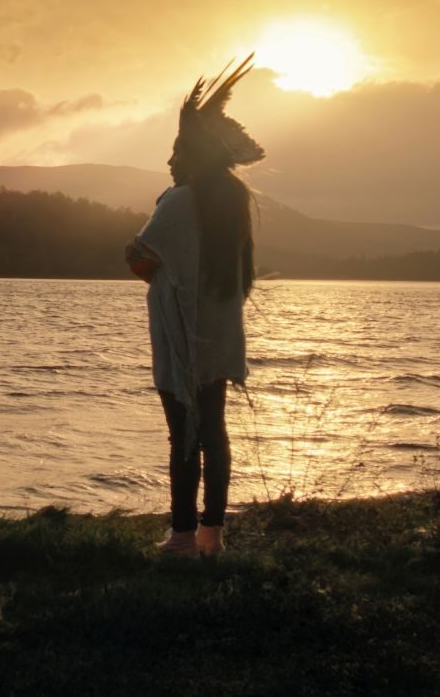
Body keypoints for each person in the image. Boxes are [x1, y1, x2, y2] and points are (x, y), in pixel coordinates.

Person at [126, 56, 262, 557]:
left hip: (184, 339)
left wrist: (134, 251)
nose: (170, 160)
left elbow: (141, 255)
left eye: (177, 150)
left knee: (182, 435)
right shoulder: (231, 201)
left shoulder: (181, 201)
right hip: (219, 334)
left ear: (194, 154)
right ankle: (212, 534)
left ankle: (183, 535)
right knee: (215, 433)